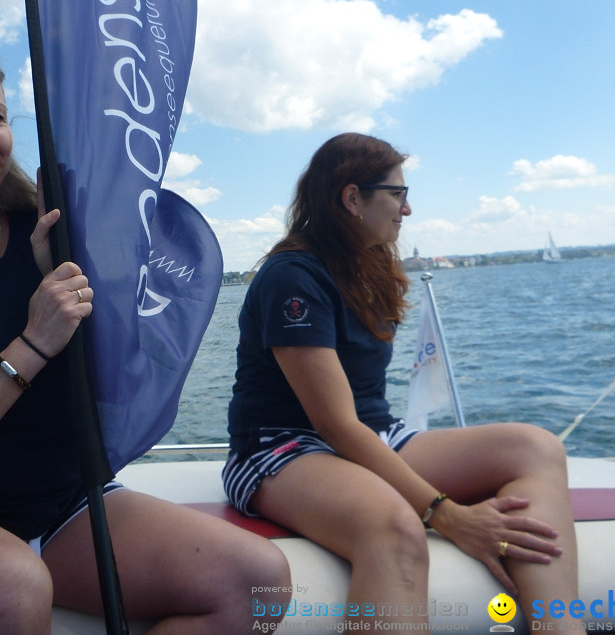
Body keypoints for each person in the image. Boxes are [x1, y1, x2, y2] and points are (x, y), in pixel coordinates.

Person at [0, 40, 290, 635]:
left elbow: (123, 383)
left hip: (60, 502)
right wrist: (33, 343)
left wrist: (85, 268)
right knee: (7, 588)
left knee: (257, 582)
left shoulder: (53, 233)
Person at [223, 132, 578, 627]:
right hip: (281, 448)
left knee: (536, 447)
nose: (406, 210)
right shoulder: (293, 277)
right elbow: (336, 425)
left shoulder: (367, 266)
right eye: (397, 194)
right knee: (393, 528)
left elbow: (361, 425)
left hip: (374, 435)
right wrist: (448, 515)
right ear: (351, 197)